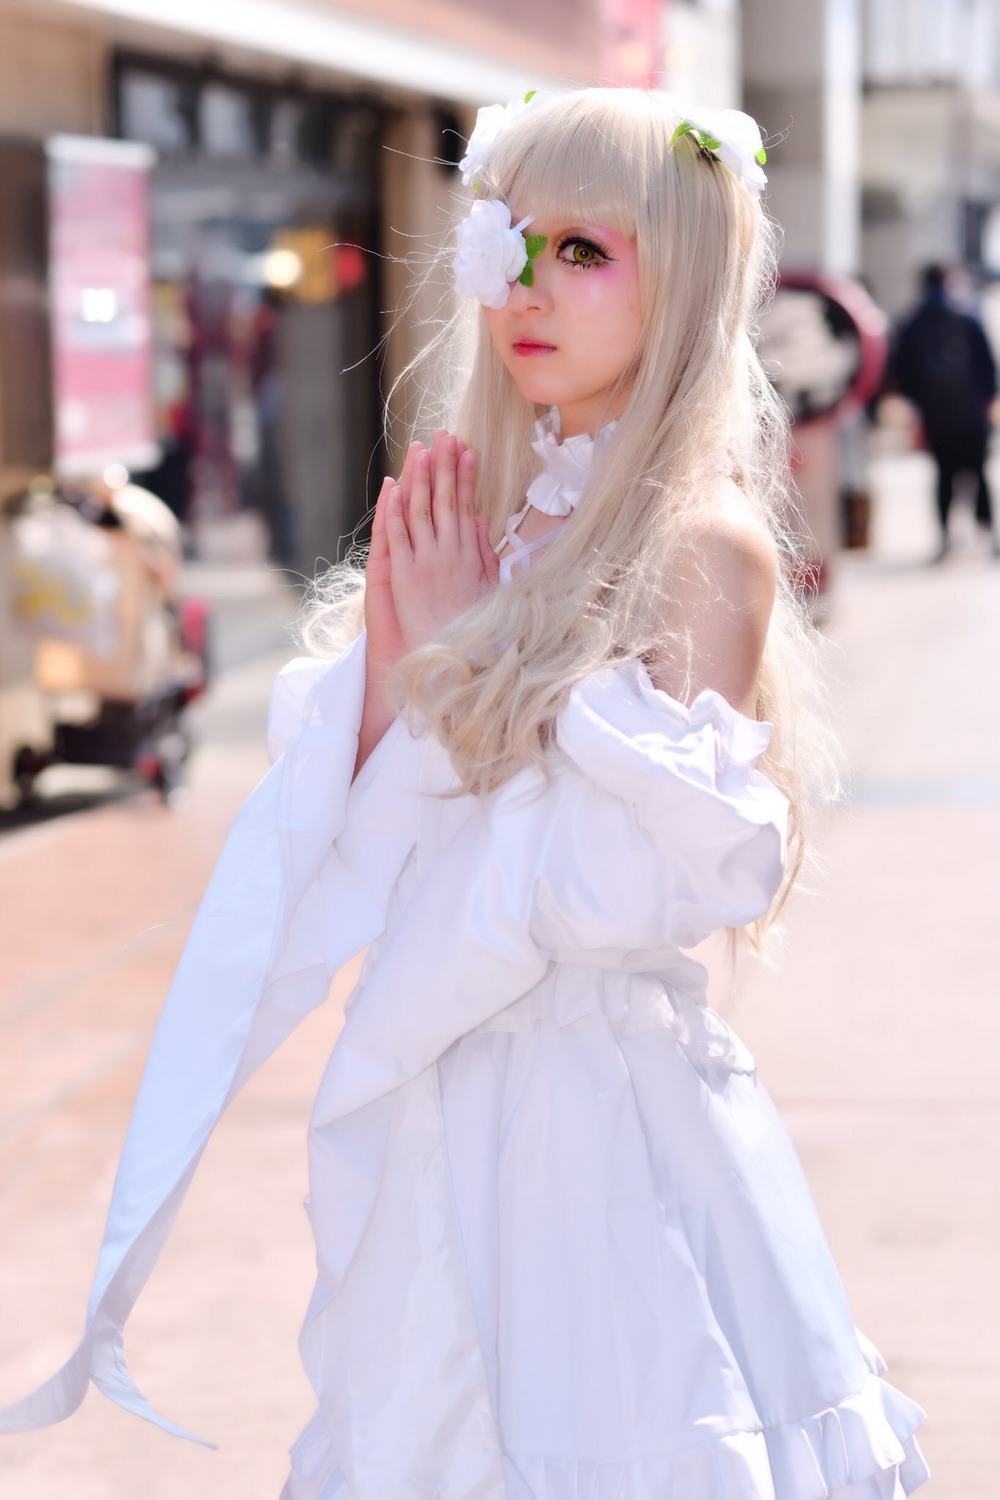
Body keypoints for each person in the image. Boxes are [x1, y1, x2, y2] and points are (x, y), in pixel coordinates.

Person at [0, 89, 928, 1498]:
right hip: (451, 1092)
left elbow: (629, 894)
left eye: (585, 251)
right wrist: (405, 675)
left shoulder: (701, 547)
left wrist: (452, 662)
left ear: (684, 275)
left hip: (599, 1119)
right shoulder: (488, 506)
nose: (527, 288)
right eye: (512, 240)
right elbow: (380, 830)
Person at [893, 262, 999, 559]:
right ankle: (987, 535)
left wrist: (921, 402)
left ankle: (944, 539)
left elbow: (902, 371)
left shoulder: (913, 322)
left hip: (936, 416)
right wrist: (987, 401)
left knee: (943, 474)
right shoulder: (968, 316)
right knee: (978, 472)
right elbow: (988, 367)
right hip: (972, 414)